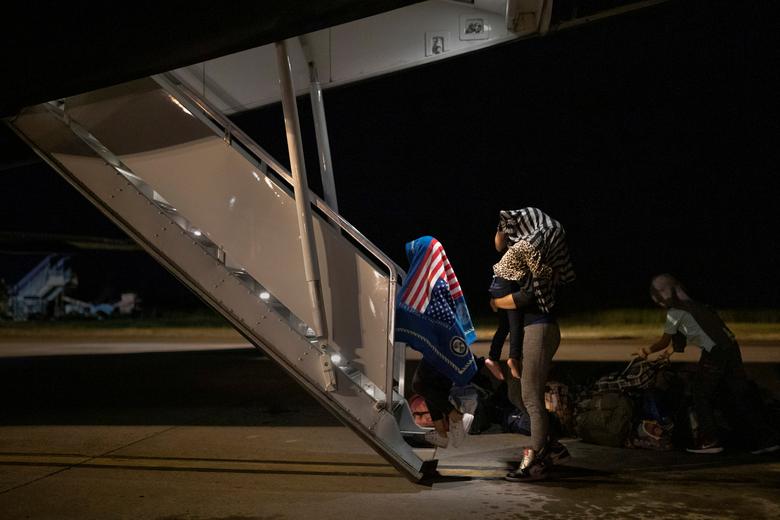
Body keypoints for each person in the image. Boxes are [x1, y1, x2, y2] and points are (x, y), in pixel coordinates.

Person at [636, 274, 779, 455]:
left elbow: (665, 341)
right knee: (740, 394)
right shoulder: (700, 306)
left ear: (662, 294)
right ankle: (767, 438)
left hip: (716, 352)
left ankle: (709, 440)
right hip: (731, 348)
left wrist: (646, 351)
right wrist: (671, 351)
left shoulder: (675, 312)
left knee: (700, 393)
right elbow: (681, 339)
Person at [490, 208, 576, 481]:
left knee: (531, 397)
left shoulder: (535, 258)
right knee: (518, 395)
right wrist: (513, 354)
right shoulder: (526, 260)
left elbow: (525, 299)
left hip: (540, 330)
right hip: (533, 331)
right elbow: (512, 320)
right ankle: (552, 446)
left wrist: (496, 302)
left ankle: (537, 460)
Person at [395, 236, 477, 449]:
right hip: (444, 345)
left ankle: (456, 417)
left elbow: (419, 310)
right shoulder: (438, 279)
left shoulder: (432, 285)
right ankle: (442, 433)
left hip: (443, 346)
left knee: (419, 384)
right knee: (432, 386)